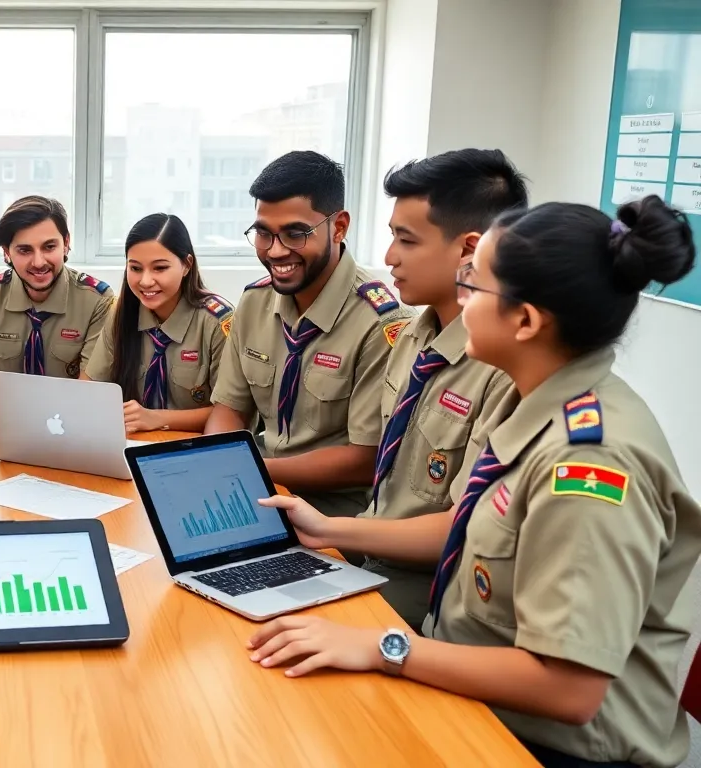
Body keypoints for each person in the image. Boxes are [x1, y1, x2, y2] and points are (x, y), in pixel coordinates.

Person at [248, 196, 700, 768]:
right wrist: (327, 529)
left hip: (549, 748)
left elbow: (568, 690)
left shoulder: (590, 466)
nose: (459, 300)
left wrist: (384, 646)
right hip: (470, 686)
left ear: (527, 320)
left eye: (473, 285)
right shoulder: (527, 398)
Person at [357, 149, 526, 629]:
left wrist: (330, 530)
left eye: (405, 240)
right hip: (374, 557)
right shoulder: (413, 334)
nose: (389, 257)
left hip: (435, 585)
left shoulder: (505, 369)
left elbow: (464, 526)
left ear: (469, 250)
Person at [206, 151, 414, 518]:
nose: (276, 251)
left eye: (295, 234)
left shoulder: (381, 323)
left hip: (333, 514)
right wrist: (218, 468)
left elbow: (363, 459)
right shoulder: (255, 302)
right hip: (255, 492)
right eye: (263, 233)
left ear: (339, 227)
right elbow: (229, 410)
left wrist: (249, 470)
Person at [0, 195, 115, 409]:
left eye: (49, 247)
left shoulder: (98, 301)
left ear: (66, 244)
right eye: (25, 250)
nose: (38, 262)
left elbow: (90, 386)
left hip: (68, 418)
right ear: (7, 253)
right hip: (4, 418)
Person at [83, 213, 232, 433]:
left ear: (186, 265)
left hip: (195, 448)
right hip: (131, 445)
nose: (145, 281)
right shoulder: (121, 314)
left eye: (159, 268)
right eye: (135, 268)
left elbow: (231, 413)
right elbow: (90, 389)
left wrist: (157, 418)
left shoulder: (216, 322)